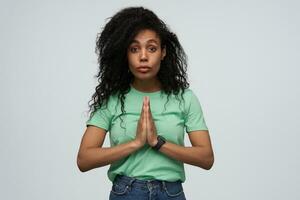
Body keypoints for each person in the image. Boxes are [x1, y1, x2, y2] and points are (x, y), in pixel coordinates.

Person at [76, 6, 214, 200]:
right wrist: (136, 143)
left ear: (163, 52)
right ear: (125, 54)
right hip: (126, 192)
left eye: (151, 48)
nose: (143, 57)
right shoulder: (113, 99)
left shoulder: (184, 98)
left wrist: (158, 143)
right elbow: (84, 159)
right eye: (134, 49)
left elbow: (206, 158)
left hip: (171, 193)